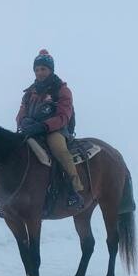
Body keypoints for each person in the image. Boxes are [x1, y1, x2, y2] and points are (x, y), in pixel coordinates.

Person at [16, 48, 86, 209]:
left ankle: (74, 191)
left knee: (59, 150)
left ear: (51, 70)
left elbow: (64, 116)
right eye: (37, 69)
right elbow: (20, 114)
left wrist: (43, 126)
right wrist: (24, 122)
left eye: (43, 69)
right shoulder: (29, 93)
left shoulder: (62, 90)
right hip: (31, 130)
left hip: (55, 131)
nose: (40, 73)